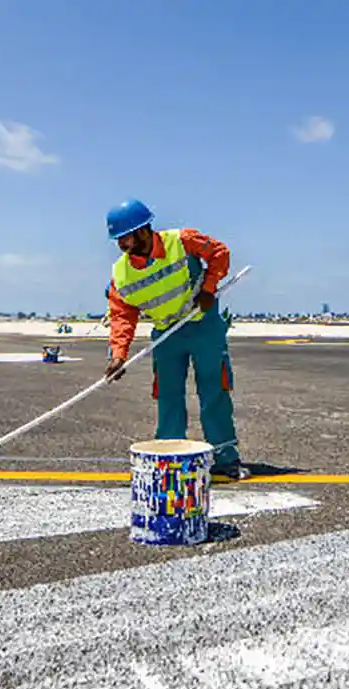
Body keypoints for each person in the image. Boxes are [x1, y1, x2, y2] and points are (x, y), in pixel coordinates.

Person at [100, 198, 251, 480]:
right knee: (167, 396)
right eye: (118, 240)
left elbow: (219, 253)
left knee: (213, 391)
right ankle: (170, 454)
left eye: (125, 237)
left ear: (144, 230)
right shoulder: (121, 274)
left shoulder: (183, 241)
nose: (121, 245)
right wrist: (119, 355)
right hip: (166, 335)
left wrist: (207, 289)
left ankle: (225, 457)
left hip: (203, 326)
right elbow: (122, 316)